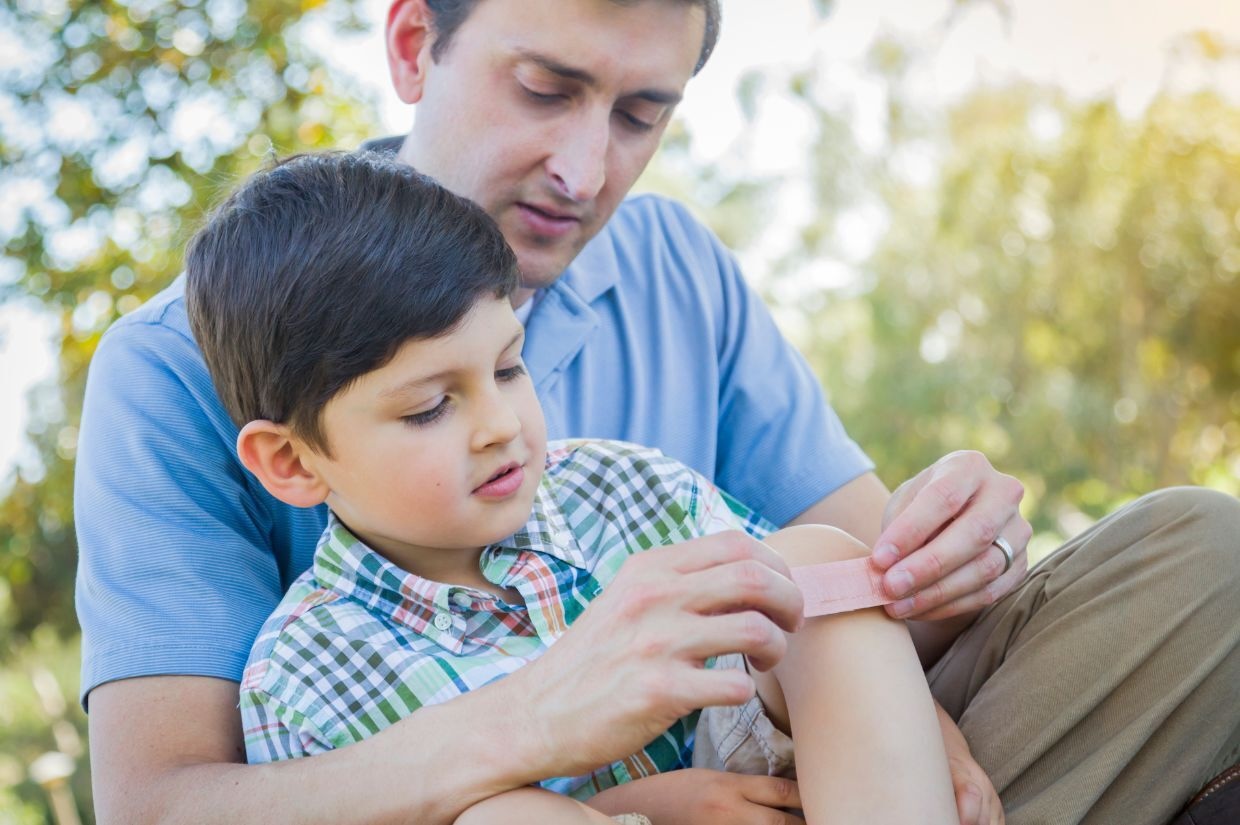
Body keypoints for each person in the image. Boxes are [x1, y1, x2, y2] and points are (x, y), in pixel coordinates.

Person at [74, 1, 1238, 823]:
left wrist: (941, 568)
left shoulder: (671, 262)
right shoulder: (175, 367)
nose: (585, 170)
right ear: (414, 42)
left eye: (640, 114)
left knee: (1200, 551)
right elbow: (166, 807)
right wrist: (546, 723)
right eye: (545, 88)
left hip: (810, 775)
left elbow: (852, 593)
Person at [185, 149, 959, 824]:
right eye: (429, 407)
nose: (500, 424)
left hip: (792, 785)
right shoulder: (305, 679)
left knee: (813, 563)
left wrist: (919, 730)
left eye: (509, 368)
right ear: (293, 463)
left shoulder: (624, 487)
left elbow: (823, 648)